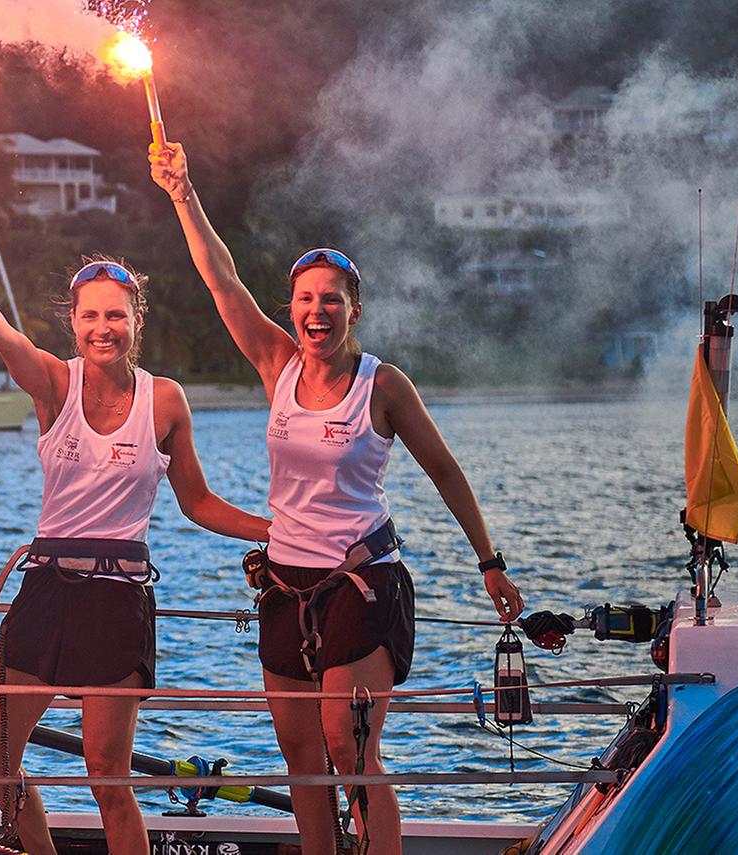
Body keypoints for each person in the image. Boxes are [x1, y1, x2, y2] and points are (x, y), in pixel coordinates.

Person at [149, 141, 527, 854]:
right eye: (305, 300)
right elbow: (222, 281)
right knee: (302, 762)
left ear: (354, 310)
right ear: (292, 308)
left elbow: (445, 471)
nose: (316, 312)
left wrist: (490, 561)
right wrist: (182, 194)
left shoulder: (383, 386)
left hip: (362, 581)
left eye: (331, 300)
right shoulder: (277, 364)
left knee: (348, 751)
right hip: (286, 585)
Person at [0, 250, 270, 855]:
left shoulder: (165, 401)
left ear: (137, 319)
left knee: (108, 777)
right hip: (47, 591)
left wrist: (277, 530)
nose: (101, 328)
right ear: (73, 322)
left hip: (118, 600)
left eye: (115, 315)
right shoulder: (55, 382)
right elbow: (6, 338)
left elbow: (198, 502)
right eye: (89, 317)